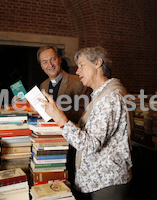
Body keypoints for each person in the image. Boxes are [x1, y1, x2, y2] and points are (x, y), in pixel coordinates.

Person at [39, 47, 132, 200]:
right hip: (96, 180)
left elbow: (90, 145)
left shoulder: (110, 98)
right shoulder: (100, 95)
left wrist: (60, 118)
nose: (77, 71)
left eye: (82, 65)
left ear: (97, 63)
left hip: (107, 181)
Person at [37, 45, 90, 124]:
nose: (50, 65)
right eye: (45, 62)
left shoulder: (79, 82)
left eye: (53, 59)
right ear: (41, 66)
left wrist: (57, 113)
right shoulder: (43, 85)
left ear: (60, 59)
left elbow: (85, 113)